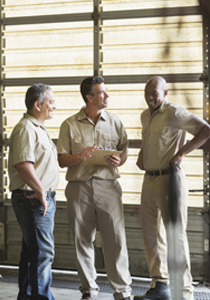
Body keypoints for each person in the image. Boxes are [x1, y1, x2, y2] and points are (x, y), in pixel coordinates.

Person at [134, 76, 210, 300]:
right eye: (147, 93)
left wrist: (182, 153)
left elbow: (206, 130)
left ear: (165, 93)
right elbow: (147, 139)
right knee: (151, 235)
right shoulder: (145, 116)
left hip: (170, 180)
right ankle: (160, 285)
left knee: (175, 236)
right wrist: (141, 156)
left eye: (155, 94)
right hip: (149, 180)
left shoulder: (174, 113)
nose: (150, 97)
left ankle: (185, 293)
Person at [56, 76, 132, 300]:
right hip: (79, 188)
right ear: (89, 97)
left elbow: (124, 151)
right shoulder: (69, 125)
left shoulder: (115, 122)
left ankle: (122, 291)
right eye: (102, 93)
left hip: (109, 186)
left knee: (116, 240)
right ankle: (89, 290)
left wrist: (121, 160)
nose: (107, 96)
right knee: (82, 240)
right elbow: (62, 160)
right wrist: (79, 156)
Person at [8, 83, 59, 300]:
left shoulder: (38, 128)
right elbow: (23, 164)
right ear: (38, 105)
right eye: (51, 102)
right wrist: (40, 191)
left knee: (32, 252)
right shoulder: (26, 128)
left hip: (37, 197)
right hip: (33, 198)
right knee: (42, 254)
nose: (54, 106)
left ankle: (27, 296)